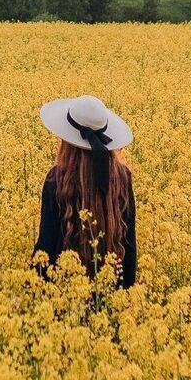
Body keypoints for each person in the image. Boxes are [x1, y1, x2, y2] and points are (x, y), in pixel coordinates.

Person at [32, 94, 137, 288]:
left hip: (63, 291)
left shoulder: (56, 179)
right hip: (111, 292)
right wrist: (126, 297)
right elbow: (129, 246)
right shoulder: (122, 177)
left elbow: (45, 244)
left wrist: (31, 296)